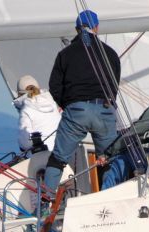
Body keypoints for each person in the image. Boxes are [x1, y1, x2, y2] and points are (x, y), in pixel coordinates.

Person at [44, 9, 121, 194]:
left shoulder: (65, 54)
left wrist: (68, 104)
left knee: (58, 159)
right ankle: (112, 197)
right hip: (104, 109)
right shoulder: (110, 53)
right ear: (96, 27)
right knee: (110, 158)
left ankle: (46, 199)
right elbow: (114, 84)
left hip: (76, 110)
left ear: (77, 29)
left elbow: (54, 86)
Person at [14, 75, 61, 153]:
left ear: (19, 94)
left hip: (42, 154)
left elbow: (25, 143)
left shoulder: (26, 110)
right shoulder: (52, 103)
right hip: (61, 150)